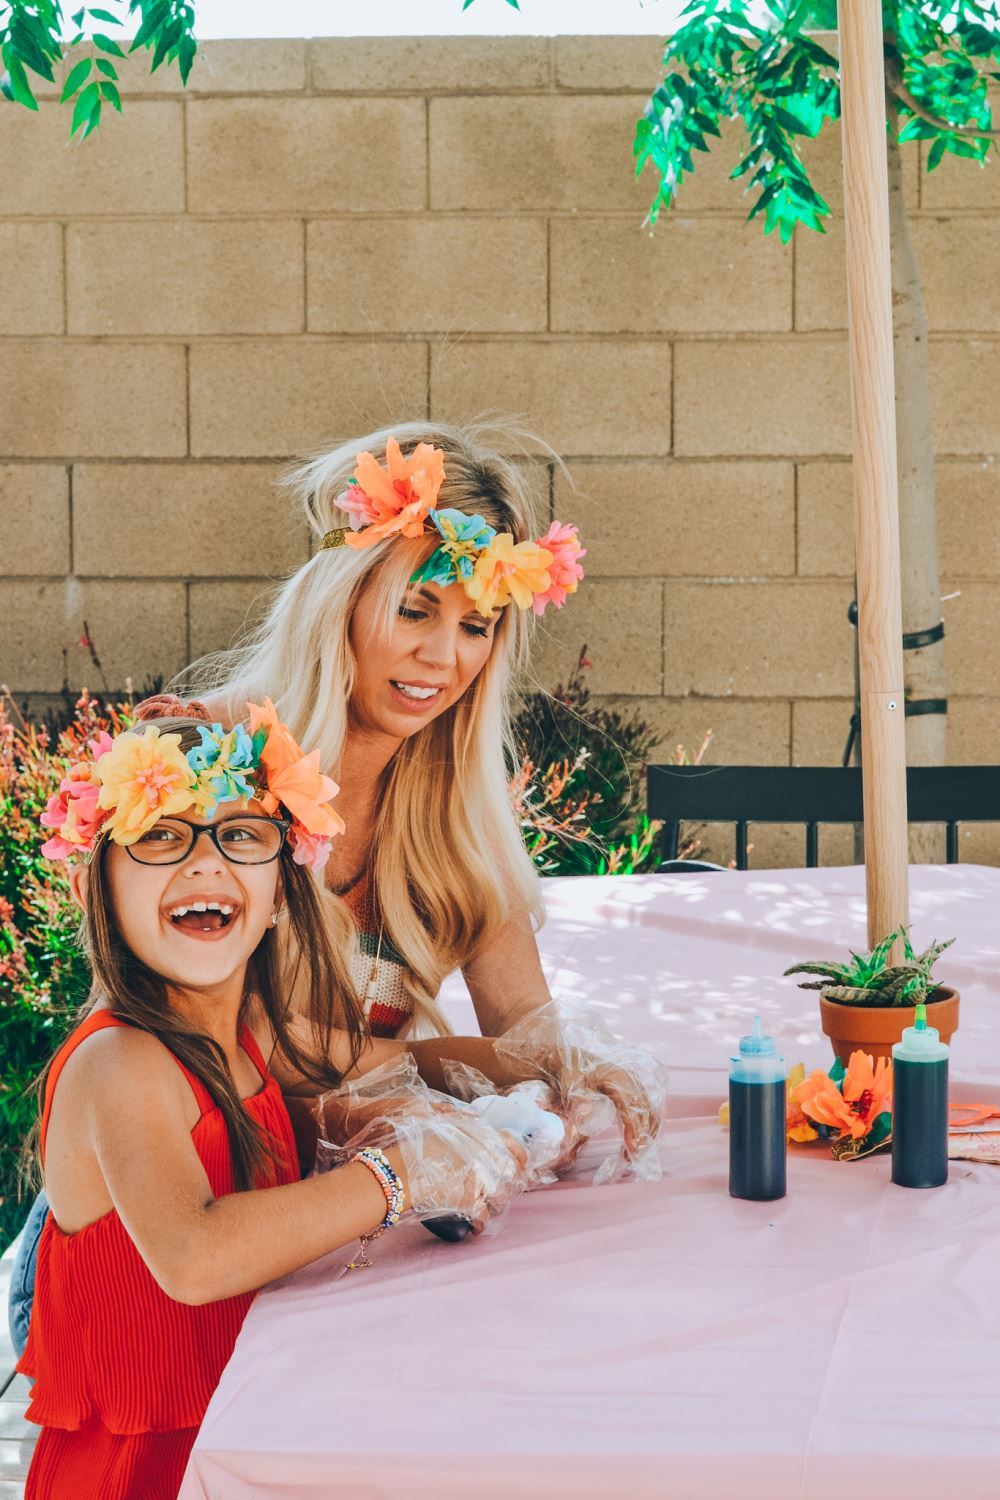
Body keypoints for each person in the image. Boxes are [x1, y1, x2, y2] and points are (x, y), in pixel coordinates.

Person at [16, 709, 546, 1499]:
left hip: (241, 1429)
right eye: (162, 836)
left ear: (278, 896)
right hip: (146, 1471)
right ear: (99, 881)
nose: (204, 862)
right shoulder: (119, 1061)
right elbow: (194, 1258)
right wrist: (398, 1176)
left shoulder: (250, 1029)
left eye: (241, 835)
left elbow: (407, 1061)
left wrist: (553, 1067)